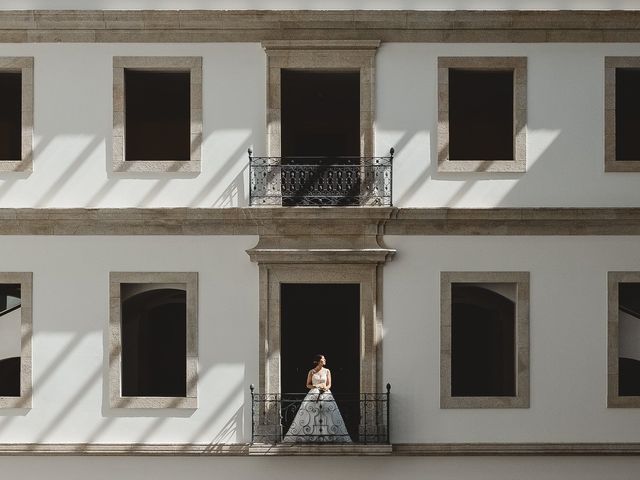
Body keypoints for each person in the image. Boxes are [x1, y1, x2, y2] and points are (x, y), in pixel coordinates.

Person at [282, 354, 352, 443]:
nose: (325, 360)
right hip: (314, 394)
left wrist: (325, 388)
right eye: (323, 359)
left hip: (325, 394)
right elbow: (307, 385)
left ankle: (328, 435)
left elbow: (329, 384)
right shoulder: (312, 372)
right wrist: (316, 386)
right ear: (319, 361)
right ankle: (310, 435)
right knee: (311, 414)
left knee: (327, 414)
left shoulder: (327, 371)